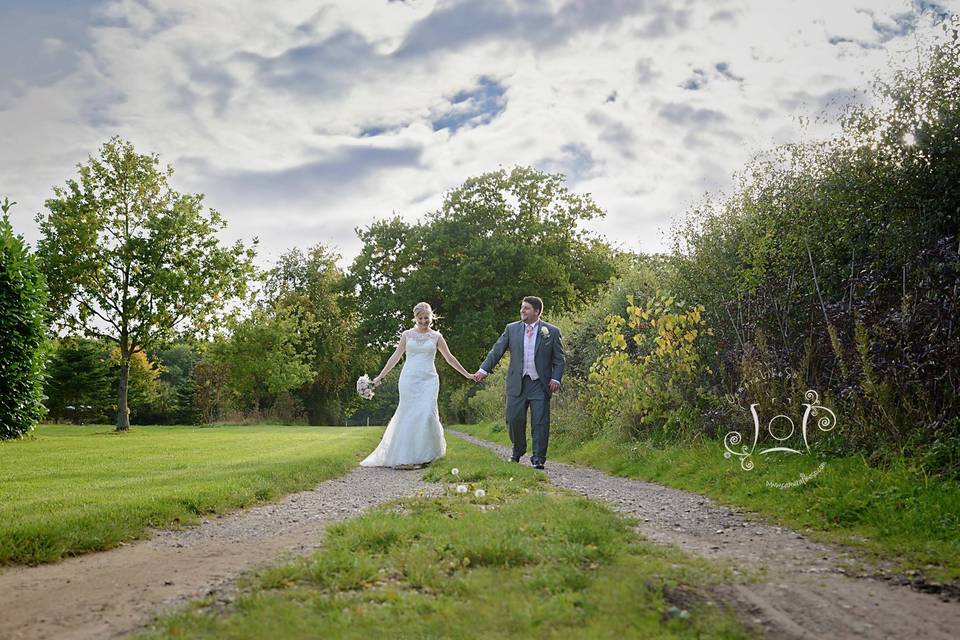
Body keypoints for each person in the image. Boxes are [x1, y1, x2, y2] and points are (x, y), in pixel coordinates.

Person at [360, 302, 474, 469]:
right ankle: (407, 457)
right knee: (409, 415)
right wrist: (379, 377)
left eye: (426, 318)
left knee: (427, 414)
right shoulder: (407, 335)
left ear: (431, 317)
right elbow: (396, 357)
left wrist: (467, 374)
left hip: (429, 380)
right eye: (420, 318)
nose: (423, 321)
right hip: (409, 379)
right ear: (415, 318)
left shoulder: (436, 337)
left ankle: (427, 454)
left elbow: (449, 358)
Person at [474, 296, 565, 469]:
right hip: (517, 383)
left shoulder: (551, 331)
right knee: (513, 419)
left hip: (540, 384)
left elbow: (560, 359)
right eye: (522, 307)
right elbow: (497, 350)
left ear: (537, 311)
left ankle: (538, 458)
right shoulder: (511, 329)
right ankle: (518, 450)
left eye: (527, 308)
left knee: (540, 422)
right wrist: (483, 370)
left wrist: (556, 378)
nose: (522, 310)